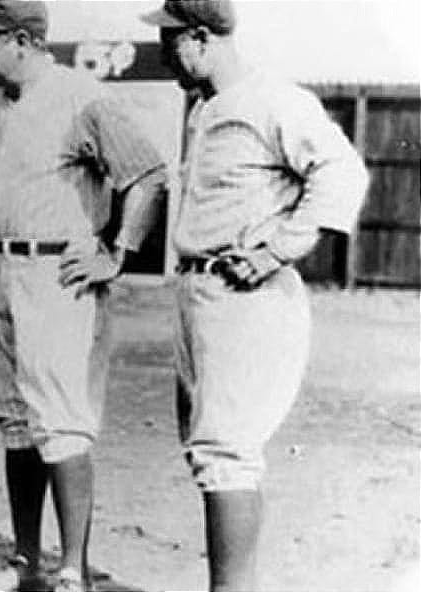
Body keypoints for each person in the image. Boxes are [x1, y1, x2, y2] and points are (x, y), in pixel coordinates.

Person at [138, 2, 369, 590]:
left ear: (199, 37)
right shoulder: (208, 107)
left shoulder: (274, 100)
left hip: (246, 297)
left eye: (169, 40)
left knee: (226, 453)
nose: (163, 53)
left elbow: (342, 172)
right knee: (209, 452)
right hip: (201, 293)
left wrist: (277, 250)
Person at [0, 2, 169, 591]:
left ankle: (72, 569)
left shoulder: (80, 96)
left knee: (62, 422)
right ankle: (25, 562)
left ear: (23, 40)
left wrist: (117, 250)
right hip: (2, 267)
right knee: (16, 420)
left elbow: (148, 174)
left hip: (61, 276)